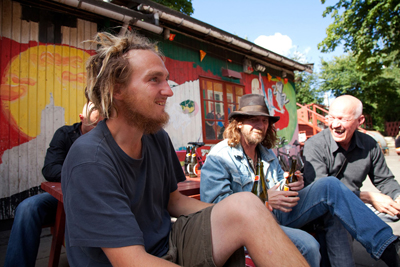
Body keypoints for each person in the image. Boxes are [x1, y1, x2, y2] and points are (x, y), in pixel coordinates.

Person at [60, 31, 309, 267]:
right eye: (154, 79)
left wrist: (243, 215)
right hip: (131, 259)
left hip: (170, 240)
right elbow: (131, 261)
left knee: (247, 205)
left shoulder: (156, 137)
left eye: (166, 79)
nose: (168, 90)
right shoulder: (90, 159)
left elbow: (174, 201)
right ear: (117, 89)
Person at [200, 94, 400, 267]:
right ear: (239, 123)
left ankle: (389, 248)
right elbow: (213, 209)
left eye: (264, 120)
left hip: (277, 215)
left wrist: (292, 186)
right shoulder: (219, 156)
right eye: (253, 120)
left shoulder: (266, 153)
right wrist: (262, 199)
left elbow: (280, 188)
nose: (260, 126)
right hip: (246, 226)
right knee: (308, 244)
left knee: (329, 185)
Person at [4, 102, 100, 267]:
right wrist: (81, 176)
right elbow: (50, 169)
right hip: (63, 197)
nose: (98, 130)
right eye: (93, 125)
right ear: (81, 119)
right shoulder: (64, 134)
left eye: (101, 124)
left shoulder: (109, 137)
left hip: (94, 201)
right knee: (27, 208)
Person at [303, 95, 400, 223]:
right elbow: (321, 193)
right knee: (338, 217)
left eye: (343, 119)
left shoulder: (370, 144)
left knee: (394, 210)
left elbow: (384, 180)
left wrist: (397, 196)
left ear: (360, 121)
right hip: (326, 208)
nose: (335, 124)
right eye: (331, 118)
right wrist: (368, 197)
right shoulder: (314, 144)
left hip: (355, 203)